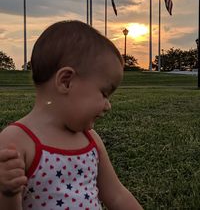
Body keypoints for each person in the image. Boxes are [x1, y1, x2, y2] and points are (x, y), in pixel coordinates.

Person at [0, 20, 143, 210]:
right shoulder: (16, 141)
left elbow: (116, 196)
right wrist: (7, 192)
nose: (108, 105)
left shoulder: (91, 140)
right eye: (104, 93)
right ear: (66, 81)